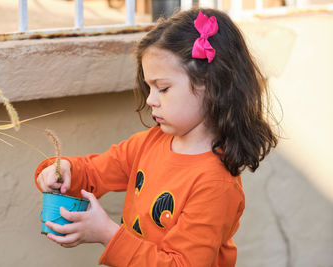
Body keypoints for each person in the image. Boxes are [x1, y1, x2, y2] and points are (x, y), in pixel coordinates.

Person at [34, 8, 278, 267]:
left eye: (163, 88)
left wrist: (107, 234)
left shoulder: (215, 184)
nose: (150, 100)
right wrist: (63, 171)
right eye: (149, 87)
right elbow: (94, 173)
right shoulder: (149, 143)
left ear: (210, 83)